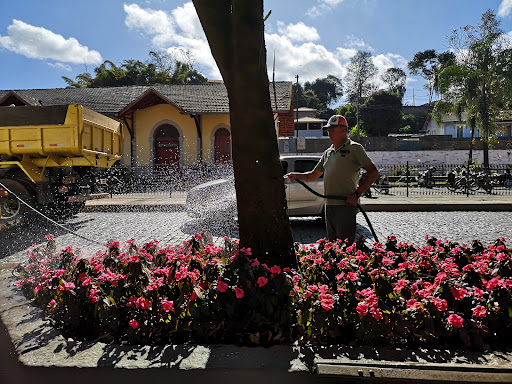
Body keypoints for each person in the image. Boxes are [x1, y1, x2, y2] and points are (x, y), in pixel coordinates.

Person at [285, 115, 378, 244]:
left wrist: (357, 194)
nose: (329, 132)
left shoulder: (354, 148)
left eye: (332, 128)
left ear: (343, 129)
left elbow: (373, 172)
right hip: (328, 206)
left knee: (345, 246)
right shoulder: (328, 152)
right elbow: (312, 175)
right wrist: (296, 175)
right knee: (333, 246)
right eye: (328, 129)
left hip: (345, 206)